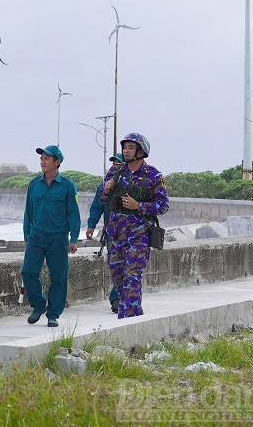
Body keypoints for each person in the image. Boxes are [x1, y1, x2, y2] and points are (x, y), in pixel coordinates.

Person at [100, 133, 169, 319]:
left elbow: (163, 205)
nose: (126, 151)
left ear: (141, 151)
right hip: (116, 234)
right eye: (125, 147)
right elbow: (101, 197)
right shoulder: (115, 172)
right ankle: (135, 313)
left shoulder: (153, 175)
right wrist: (105, 190)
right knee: (118, 278)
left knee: (132, 277)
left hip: (138, 236)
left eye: (131, 147)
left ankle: (126, 321)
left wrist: (138, 206)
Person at [22, 145, 81, 328]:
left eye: (47, 159)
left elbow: (73, 213)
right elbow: (28, 212)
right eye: (42, 159)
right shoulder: (34, 184)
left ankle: (53, 313)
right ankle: (39, 305)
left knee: (59, 277)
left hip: (58, 238)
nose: (43, 162)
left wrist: (74, 239)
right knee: (28, 271)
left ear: (57, 162)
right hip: (37, 237)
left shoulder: (68, 186)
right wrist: (27, 235)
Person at [86, 153, 124, 313]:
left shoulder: (134, 184)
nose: (115, 167)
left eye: (119, 164)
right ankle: (116, 298)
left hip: (133, 234)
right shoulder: (104, 187)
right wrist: (91, 226)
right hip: (112, 233)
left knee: (130, 267)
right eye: (114, 164)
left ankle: (121, 298)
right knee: (116, 267)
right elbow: (96, 207)